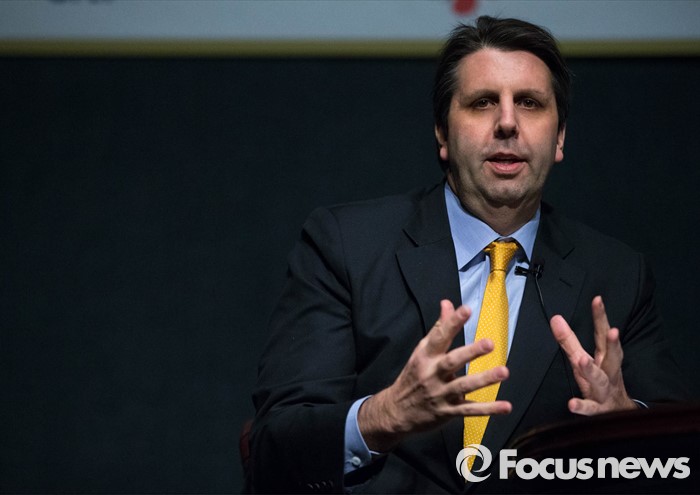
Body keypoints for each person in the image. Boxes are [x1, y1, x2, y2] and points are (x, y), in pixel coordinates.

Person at [249, 16, 686, 494]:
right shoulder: (347, 246)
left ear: (559, 137)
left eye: (530, 102)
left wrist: (626, 427)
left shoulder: (618, 276)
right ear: (442, 133)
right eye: (482, 102)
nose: (507, 123)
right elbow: (274, 445)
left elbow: (680, 462)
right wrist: (382, 416)